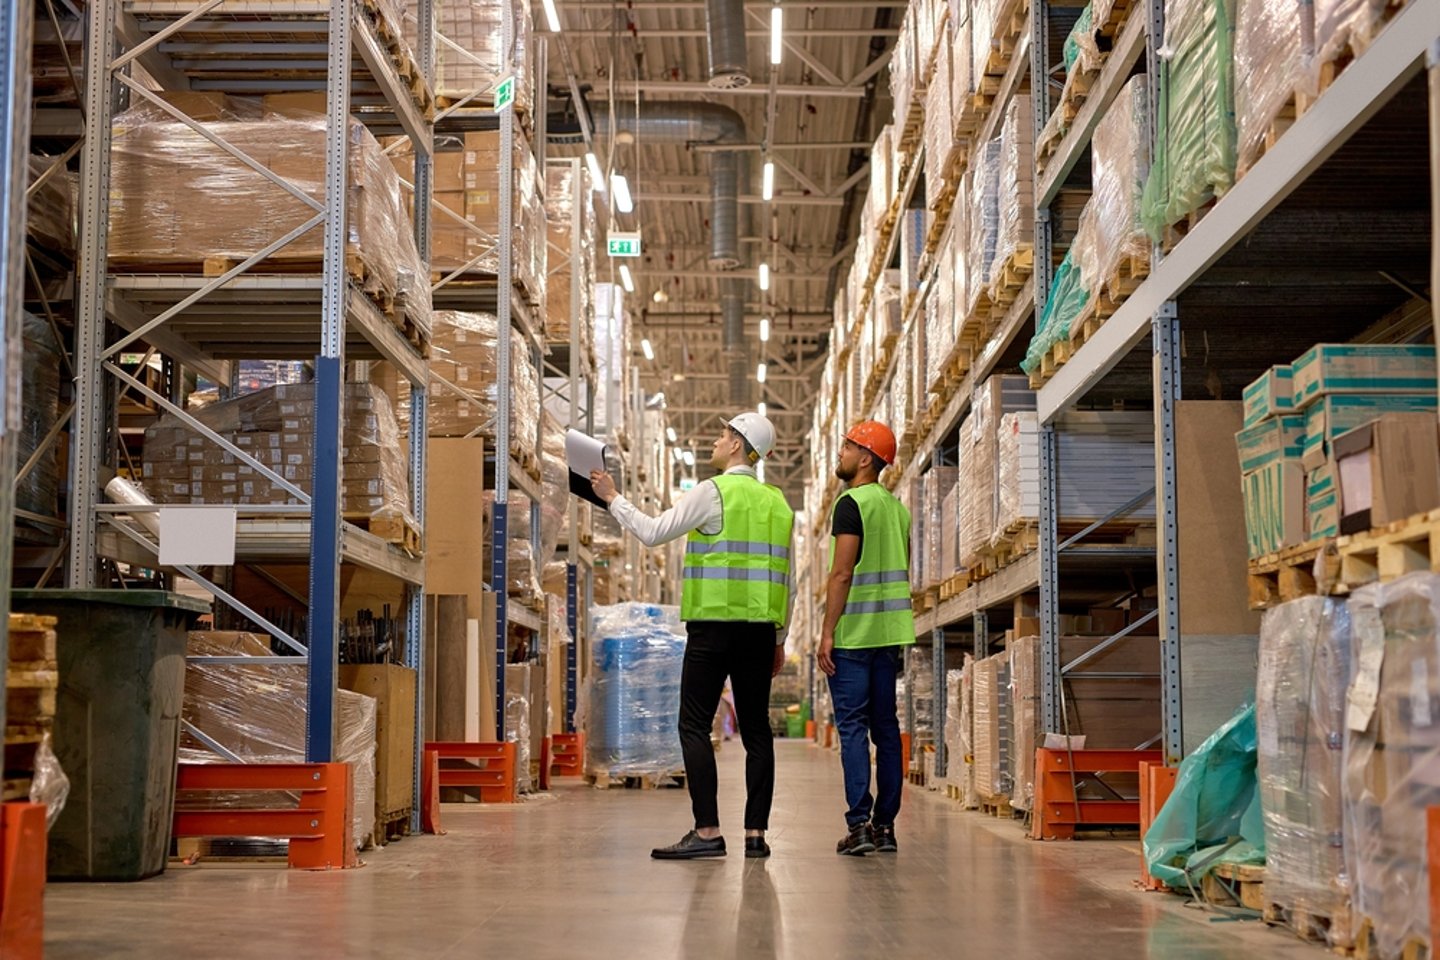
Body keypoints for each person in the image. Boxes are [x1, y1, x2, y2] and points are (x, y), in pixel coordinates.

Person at [590, 412, 794, 860]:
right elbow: (789, 578)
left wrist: (612, 498)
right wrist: (780, 637)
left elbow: (652, 532)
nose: (717, 440)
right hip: (760, 632)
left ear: (739, 445)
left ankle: (706, 833)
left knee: (693, 726)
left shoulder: (712, 491)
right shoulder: (778, 504)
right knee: (758, 731)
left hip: (713, 630)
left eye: (723, 434)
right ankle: (756, 836)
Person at [816, 420, 915, 857]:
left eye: (848, 446)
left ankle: (858, 825)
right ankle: (885, 827)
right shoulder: (897, 510)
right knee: (887, 731)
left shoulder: (850, 504)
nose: (841, 453)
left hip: (854, 635)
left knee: (853, 729)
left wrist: (827, 632)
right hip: (889, 635)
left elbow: (842, 573)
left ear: (866, 458)